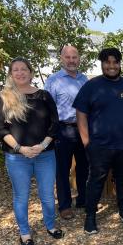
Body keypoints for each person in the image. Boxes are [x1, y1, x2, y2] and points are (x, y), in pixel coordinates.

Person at [73, 48, 123, 234]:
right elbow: (81, 113)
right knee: (96, 181)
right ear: (102, 64)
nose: (111, 66)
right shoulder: (91, 86)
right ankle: (90, 216)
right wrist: (86, 142)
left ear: (120, 64)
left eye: (115, 62)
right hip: (99, 146)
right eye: (107, 62)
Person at [0, 57, 63, 245]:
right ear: (11, 74)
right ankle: (25, 233)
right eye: (15, 70)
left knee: (48, 195)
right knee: (21, 196)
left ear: (31, 72)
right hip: (17, 157)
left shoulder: (44, 96)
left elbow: (55, 124)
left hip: (45, 154)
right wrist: (20, 148)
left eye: (24, 69)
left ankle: (50, 225)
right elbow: (0, 129)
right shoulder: (5, 97)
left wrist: (42, 145)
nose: (20, 72)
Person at [44, 45, 89, 220]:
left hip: (83, 129)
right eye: (68, 57)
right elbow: (47, 108)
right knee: (62, 169)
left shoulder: (84, 79)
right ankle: (64, 205)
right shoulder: (54, 80)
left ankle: (83, 200)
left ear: (79, 58)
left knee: (84, 167)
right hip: (63, 129)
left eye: (74, 57)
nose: (71, 60)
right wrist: (50, 133)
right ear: (62, 58)